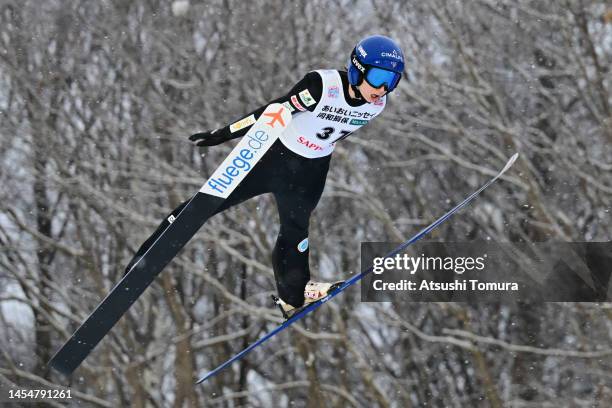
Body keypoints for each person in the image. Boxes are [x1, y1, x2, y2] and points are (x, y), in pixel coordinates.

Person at [126, 35, 405, 318]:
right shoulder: (322, 87)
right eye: (379, 77)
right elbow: (273, 111)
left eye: (392, 81)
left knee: (296, 233)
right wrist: (224, 133)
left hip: (311, 172)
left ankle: (293, 296)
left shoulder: (376, 105)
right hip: (273, 159)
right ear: (357, 69)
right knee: (206, 204)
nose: (383, 89)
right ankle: (145, 259)